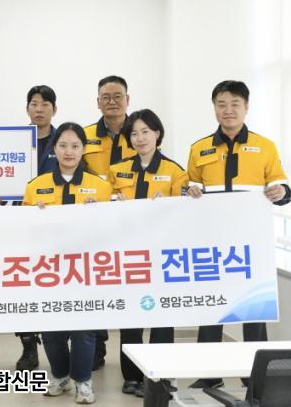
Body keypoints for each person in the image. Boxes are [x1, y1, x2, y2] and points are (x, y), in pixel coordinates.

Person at [186, 80, 291, 389]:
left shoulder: (265, 147)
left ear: (246, 107)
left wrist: (281, 191)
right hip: (211, 243)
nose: (228, 110)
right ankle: (209, 375)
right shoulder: (199, 148)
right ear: (214, 108)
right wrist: (188, 190)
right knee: (211, 308)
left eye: (235, 104)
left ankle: (255, 377)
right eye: (221, 104)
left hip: (251, 244)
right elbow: (187, 188)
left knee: (254, 313)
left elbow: (283, 188)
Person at [23, 122, 112, 405]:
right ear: (54, 148)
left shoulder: (101, 186)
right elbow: (23, 230)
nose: (69, 151)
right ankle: (60, 375)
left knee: (84, 329)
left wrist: (98, 214)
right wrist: (35, 216)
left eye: (75, 146)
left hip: (86, 268)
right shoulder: (36, 187)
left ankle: (83, 380)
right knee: (52, 329)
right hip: (48, 270)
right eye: (63, 145)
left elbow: (112, 229)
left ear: (83, 149)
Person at [108, 109, 189, 397]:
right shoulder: (117, 170)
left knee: (162, 317)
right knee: (130, 316)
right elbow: (104, 209)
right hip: (129, 255)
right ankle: (131, 376)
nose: (140, 138)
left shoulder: (175, 172)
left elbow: (184, 213)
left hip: (162, 255)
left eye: (145, 131)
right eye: (134, 133)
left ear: (157, 133)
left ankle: (160, 375)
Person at [82, 75, 137, 369]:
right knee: (94, 287)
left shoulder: (140, 132)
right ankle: (96, 350)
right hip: (93, 225)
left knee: (128, 290)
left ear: (127, 100)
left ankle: (131, 362)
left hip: (130, 225)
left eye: (118, 96)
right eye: (106, 97)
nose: (112, 102)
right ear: (98, 102)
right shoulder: (85, 135)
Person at [15, 85, 58, 372]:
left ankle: (61, 346)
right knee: (24, 286)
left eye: (45, 104)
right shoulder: (14, 141)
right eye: (34, 103)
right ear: (27, 108)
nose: (39, 109)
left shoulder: (64, 139)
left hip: (57, 227)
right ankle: (28, 346)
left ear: (54, 109)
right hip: (24, 225)